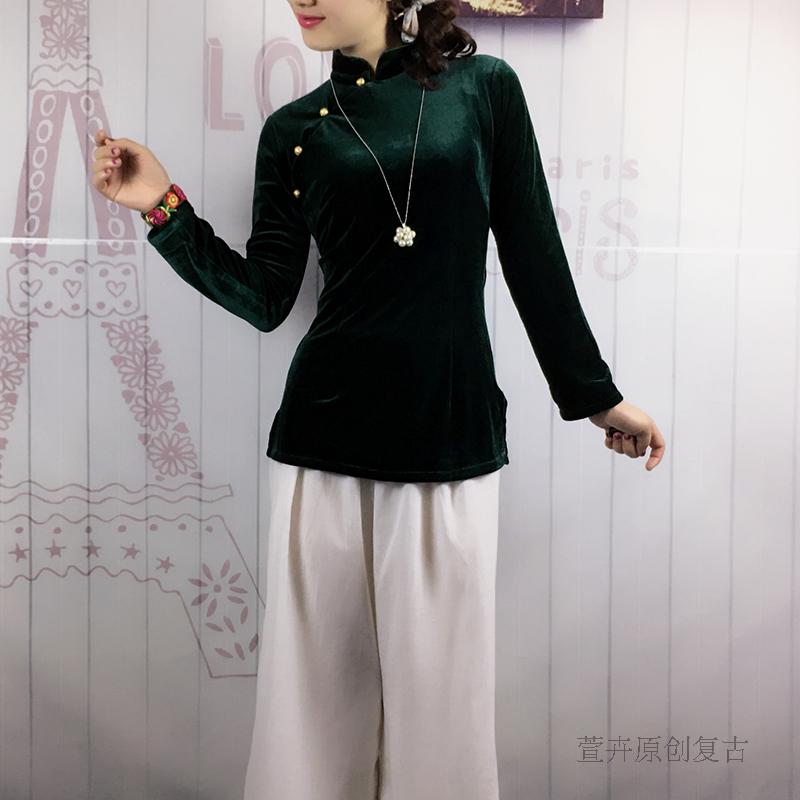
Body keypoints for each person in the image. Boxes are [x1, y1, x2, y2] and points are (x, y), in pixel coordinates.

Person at [90, 0, 665, 797]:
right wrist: (163, 208)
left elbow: (534, 253)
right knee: (312, 715)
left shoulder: (483, 90)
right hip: (322, 449)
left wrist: (596, 398)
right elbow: (265, 297)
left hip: (449, 442)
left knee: (443, 717)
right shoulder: (295, 130)